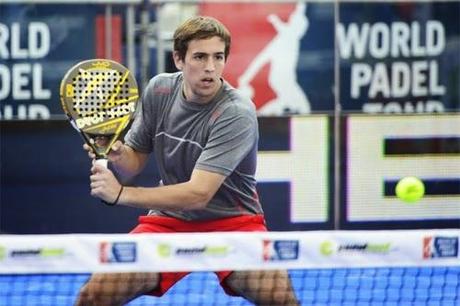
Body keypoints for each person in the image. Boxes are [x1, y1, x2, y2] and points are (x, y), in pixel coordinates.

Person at [75, 16, 299, 306]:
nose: (210, 67)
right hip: (170, 220)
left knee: (281, 298)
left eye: (218, 57)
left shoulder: (236, 112)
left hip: (233, 222)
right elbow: (133, 164)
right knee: (94, 296)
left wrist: (121, 194)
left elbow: (198, 193)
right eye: (200, 57)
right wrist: (117, 155)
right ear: (179, 59)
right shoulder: (160, 91)